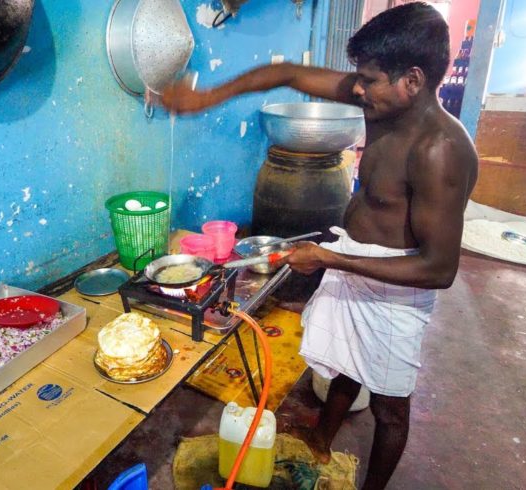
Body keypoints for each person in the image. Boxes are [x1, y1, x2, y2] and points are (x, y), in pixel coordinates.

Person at [162, 3, 477, 489]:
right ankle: (322, 440)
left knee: (391, 406)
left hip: (400, 284)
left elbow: (439, 268)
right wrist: (208, 98)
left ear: (411, 81)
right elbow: (286, 73)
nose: (356, 89)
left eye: (369, 80)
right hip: (355, 258)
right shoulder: (383, 102)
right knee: (348, 360)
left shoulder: (439, 150)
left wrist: (330, 257)